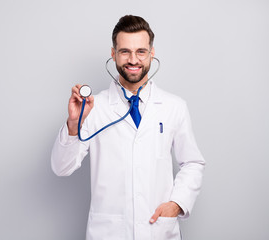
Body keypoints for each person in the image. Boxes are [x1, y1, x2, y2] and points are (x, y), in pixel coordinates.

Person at [51, 15, 205, 240]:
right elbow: (61, 167)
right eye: (125, 51)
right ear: (113, 54)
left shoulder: (174, 107)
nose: (133, 60)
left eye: (141, 51)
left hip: (158, 230)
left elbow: (193, 162)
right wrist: (74, 123)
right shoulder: (95, 107)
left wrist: (177, 204)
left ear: (152, 53)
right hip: (109, 232)